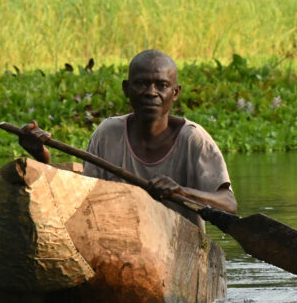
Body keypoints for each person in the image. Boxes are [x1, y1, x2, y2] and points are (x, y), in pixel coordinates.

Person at [18, 49, 237, 216]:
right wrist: (43, 161)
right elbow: (82, 202)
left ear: (176, 92)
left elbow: (228, 203)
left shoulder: (193, 139)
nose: (151, 93)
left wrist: (182, 192)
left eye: (161, 85)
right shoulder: (107, 134)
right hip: (116, 241)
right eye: (141, 84)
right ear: (126, 89)